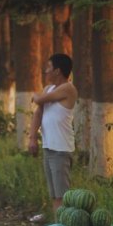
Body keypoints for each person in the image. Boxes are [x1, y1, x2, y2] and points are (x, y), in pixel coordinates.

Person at [29, 53, 78, 216]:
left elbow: (39, 100)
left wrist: (35, 96)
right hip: (49, 147)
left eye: (48, 68)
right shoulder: (48, 89)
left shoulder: (68, 88)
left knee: (62, 195)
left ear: (57, 71)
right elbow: (38, 113)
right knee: (55, 196)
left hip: (61, 149)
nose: (46, 71)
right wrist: (32, 138)